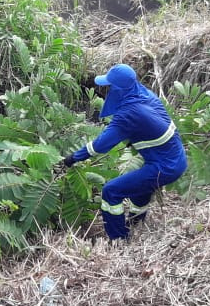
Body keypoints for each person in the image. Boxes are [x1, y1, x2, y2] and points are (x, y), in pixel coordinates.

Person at [61, 63, 187, 240]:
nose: (106, 90)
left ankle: (119, 239)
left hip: (165, 166)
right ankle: (137, 223)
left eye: (109, 86)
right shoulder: (144, 94)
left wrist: (73, 158)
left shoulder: (127, 114)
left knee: (111, 191)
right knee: (141, 188)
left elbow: (100, 145)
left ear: (118, 89)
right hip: (176, 157)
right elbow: (150, 123)